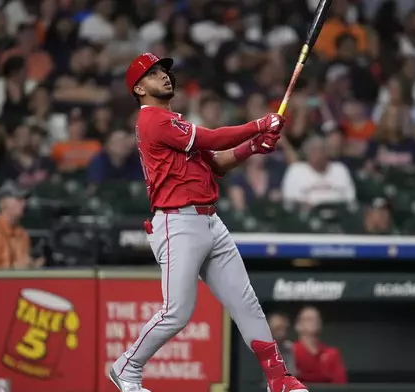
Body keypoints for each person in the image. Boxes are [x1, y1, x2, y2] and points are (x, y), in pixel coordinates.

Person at [109, 53, 307, 392]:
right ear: (139, 89)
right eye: (154, 74)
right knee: (177, 312)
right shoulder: (152, 120)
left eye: (165, 71)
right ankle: (126, 368)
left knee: (245, 301)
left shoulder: (172, 121)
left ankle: (279, 378)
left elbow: (216, 162)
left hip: (209, 221)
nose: (165, 77)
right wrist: (259, 125)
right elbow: (213, 139)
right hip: (177, 223)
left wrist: (253, 147)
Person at [0, 181, 45, 269]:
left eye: (24, 200)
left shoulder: (23, 235)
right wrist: (15, 270)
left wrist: (33, 266)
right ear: (3, 203)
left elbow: (22, 264)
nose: (23, 203)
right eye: (18, 199)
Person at [293, 306, 347, 384]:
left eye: (317, 319)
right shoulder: (291, 351)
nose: (314, 321)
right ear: (298, 325)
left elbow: (340, 385)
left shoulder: (332, 354)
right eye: (308, 319)